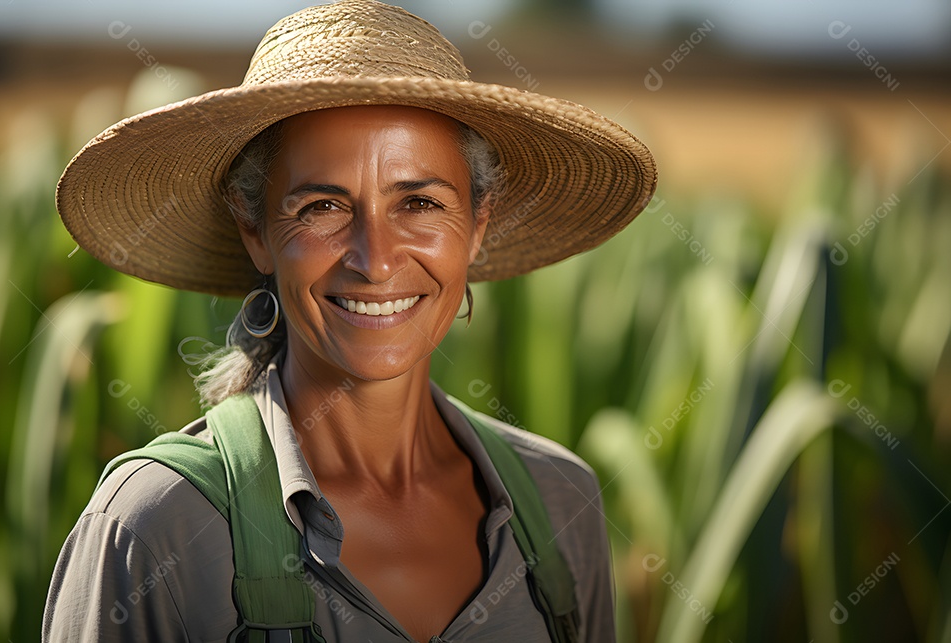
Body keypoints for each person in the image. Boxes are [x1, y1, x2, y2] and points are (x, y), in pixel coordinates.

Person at [44, 1, 655, 641]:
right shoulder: (155, 529)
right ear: (255, 230)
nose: (376, 260)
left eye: (418, 202)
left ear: (478, 225)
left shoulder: (560, 504)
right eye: (323, 206)